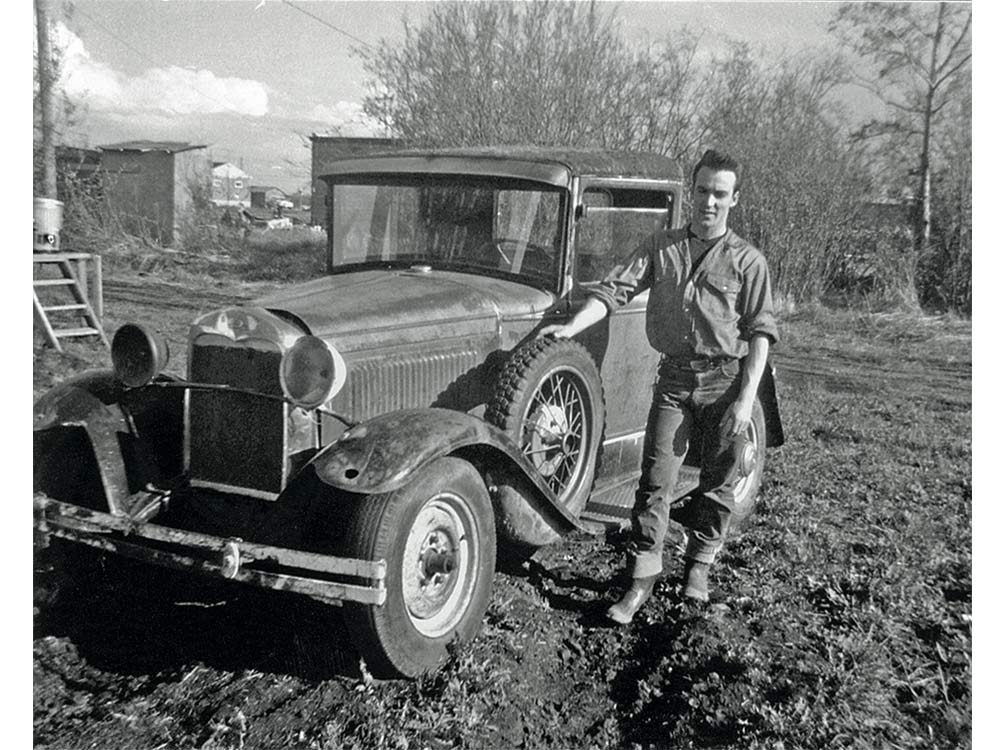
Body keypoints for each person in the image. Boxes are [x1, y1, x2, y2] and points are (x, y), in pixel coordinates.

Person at [539, 149, 779, 624]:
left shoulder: (749, 262)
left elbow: (761, 333)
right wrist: (571, 329)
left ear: (734, 199)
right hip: (674, 381)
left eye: (720, 194)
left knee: (718, 483)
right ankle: (641, 579)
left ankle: (699, 567)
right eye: (703, 191)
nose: (709, 202)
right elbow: (614, 291)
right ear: (692, 193)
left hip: (727, 383)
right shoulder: (660, 247)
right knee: (655, 483)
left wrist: (747, 401)